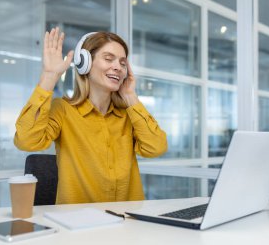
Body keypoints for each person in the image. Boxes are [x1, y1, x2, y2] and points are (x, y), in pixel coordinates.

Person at [14, 27, 168, 204]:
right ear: (84, 63)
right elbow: (26, 140)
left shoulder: (129, 115)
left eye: (123, 63)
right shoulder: (63, 110)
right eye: (109, 59)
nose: (118, 67)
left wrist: (130, 96)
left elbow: (156, 148)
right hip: (79, 224)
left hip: (127, 222)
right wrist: (49, 76)